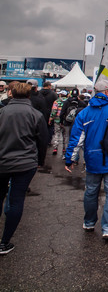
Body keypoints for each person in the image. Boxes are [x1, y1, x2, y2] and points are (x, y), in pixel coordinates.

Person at [64, 82, 108, 240]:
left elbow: (76, 139)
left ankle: (89, 222)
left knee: (91, 191)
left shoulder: (84, 113)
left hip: (93, 159)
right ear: (107, 92)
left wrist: (71, 159)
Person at [0, 82, 49, 255]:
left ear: (11, 94)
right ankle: (4, 242)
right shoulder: (35, 115)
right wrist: (40, 161)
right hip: (25, 163)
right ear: (29, 95)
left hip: (2, 161)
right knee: (16, 199)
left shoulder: (2, 112)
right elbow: (43, 141)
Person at [50, 90, 67, 156]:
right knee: (65, 135)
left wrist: (51, 118)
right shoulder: (68, 101)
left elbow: (54, 111)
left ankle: (55, 148)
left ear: (60, 95)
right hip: (65, 120)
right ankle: (64, 148)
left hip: (57, 120)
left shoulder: (56, 101)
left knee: (57, 133)